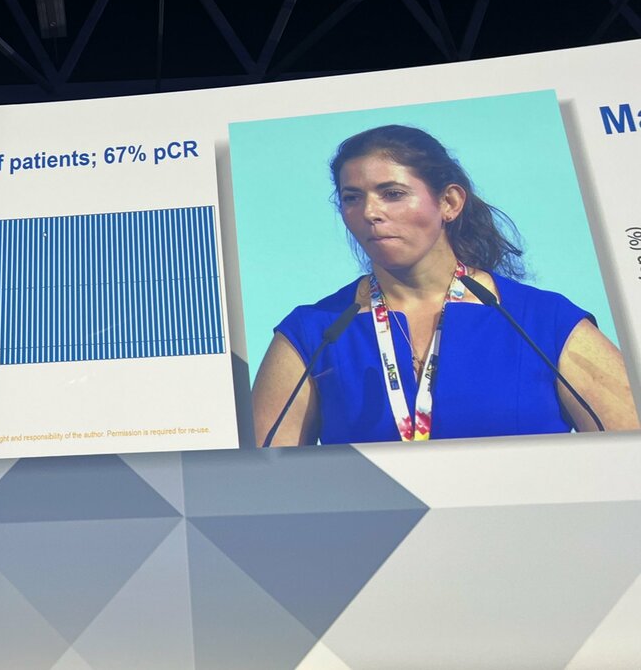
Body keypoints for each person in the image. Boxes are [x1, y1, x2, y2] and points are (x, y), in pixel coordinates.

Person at [253, 125, 641, 446]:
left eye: (392, 194)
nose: (370, 212)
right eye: (352, 198)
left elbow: (628, 460)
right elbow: (266, 486)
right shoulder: (314, 333)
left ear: (450, 202)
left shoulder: (543, 322)